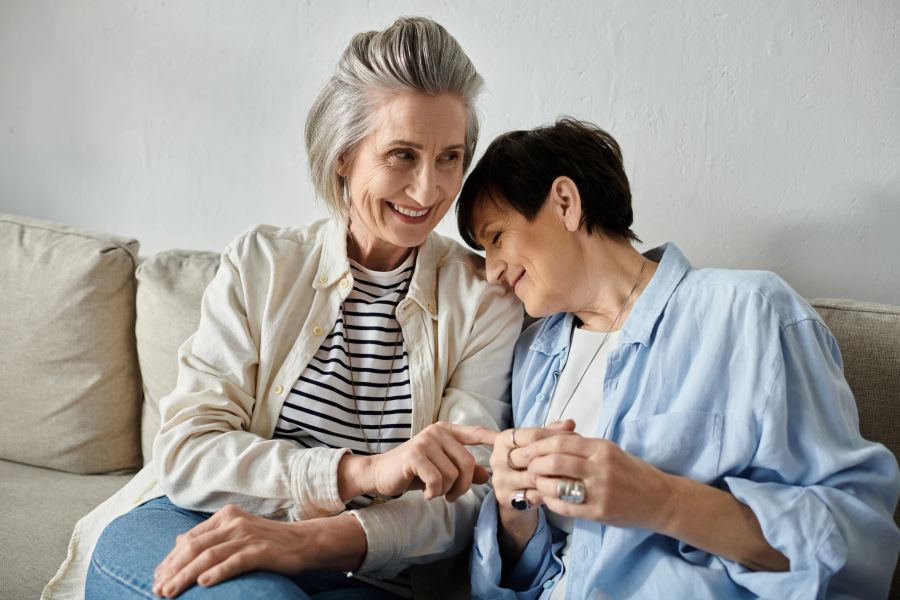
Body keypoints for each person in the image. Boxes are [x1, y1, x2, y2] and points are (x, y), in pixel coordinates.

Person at [43, 17, 522, 600]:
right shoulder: (262, 263)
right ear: (343, 156)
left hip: (366, 565)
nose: (429, 190)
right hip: (195, 521)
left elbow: (465, 498)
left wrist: (306, 541)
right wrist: (361, 473)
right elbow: (187, 452)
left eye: (450, 157)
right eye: (402, 155)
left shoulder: (484, 301)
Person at [455, 118, 900, 599]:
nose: (493, 271)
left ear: (565, 202)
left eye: (497, 237)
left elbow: (855, 547)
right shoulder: (533, 356)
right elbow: (547, 554)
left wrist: (660, 500)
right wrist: (516, 512)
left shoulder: (749, 313)